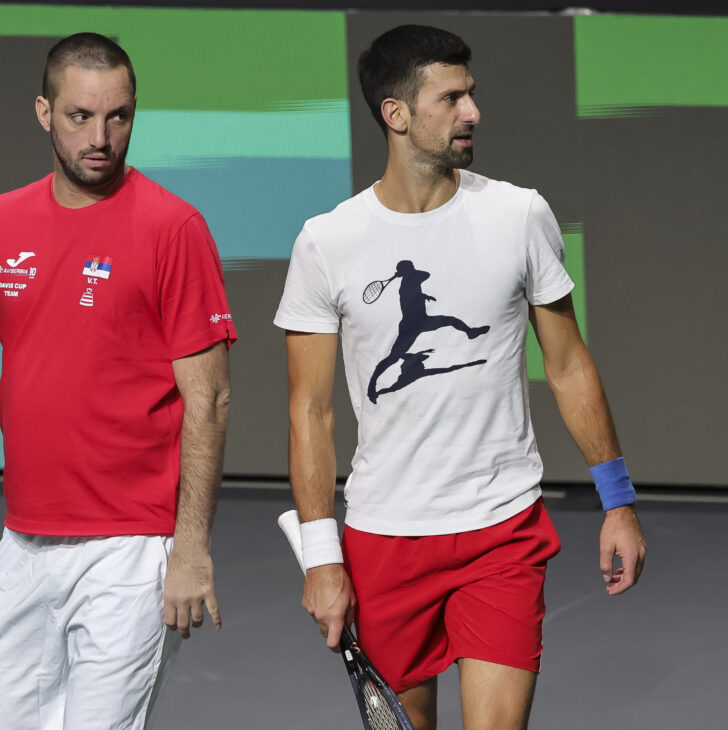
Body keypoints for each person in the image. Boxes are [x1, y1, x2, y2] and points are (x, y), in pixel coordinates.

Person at [0, 32, 236, 730]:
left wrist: (191, 548)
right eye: (80, 116)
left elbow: (207, 398)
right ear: (44, 113)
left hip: (131, 550)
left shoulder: (173, 228)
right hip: (23, 546)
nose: (101, 137)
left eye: (118, 116)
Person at [274, 24, 645, 730]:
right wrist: (323, 558)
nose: (473, 112)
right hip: (385, 540)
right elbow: (309, 412)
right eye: (451, 99)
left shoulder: (520, 215)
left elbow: (568, 364)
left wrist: (618, 501)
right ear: (396, 113)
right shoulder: (327, 242)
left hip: (501, 529)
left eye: (470, 94)